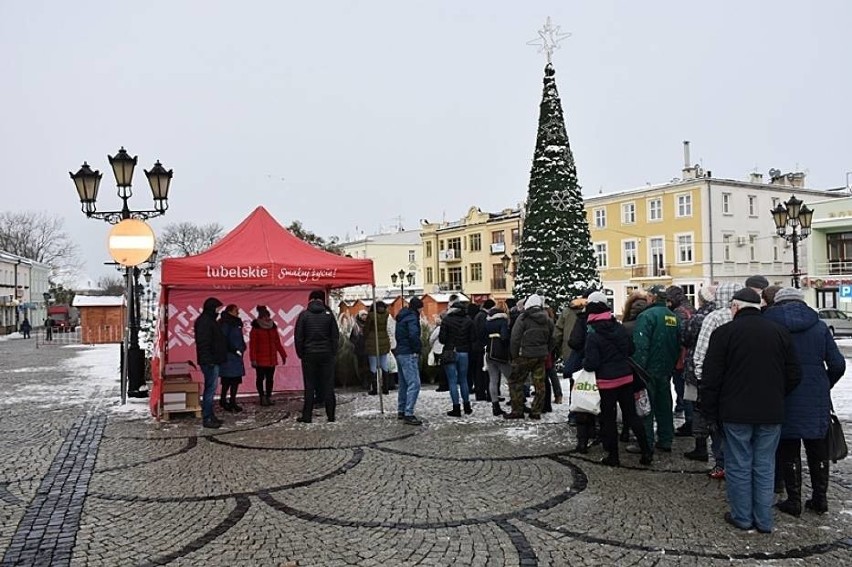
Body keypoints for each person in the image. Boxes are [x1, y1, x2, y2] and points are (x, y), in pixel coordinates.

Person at [701, 287, 800, 533]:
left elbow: (711, 378)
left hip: (735, 411)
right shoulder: (779, 332)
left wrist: (709, 412)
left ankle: (742, 517)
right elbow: (795, 374)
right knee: (765, 465)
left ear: (735, 307)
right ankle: (764, 520)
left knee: (738, 464)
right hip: (771, 411)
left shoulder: (724, 333)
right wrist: (777, 393)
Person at [764, 287, 845, 516]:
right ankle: (820, 498)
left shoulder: (771, 326)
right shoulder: (819, 327)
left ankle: (794, 500)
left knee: (788, 448)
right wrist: (823, 384)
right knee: (818, 449)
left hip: (784, 393)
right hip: (815, 395)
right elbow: (838, 364)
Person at [581, 291, 652, 466]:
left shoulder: (593, 334)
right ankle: (647, 452)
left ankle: (613, 456)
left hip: (606, 383)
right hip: (626, 378)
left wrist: (585, 362)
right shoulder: (619, 327)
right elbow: (630, 350)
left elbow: (592, 363)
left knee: (608, 419)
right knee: (631, 415)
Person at [692, 282, 743, 478]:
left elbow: (701, 353)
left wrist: (701, 380)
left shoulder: (713, 318)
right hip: (742, 382)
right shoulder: (748, 318)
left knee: (717, 425)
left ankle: (721, 463)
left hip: (717, 382)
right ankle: (739, 464)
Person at [631, 285, 679, 454]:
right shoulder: (673, 317)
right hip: (666, 368)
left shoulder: (646, 316)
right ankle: (666, 439)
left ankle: (646, 441)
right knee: (664, 404)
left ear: (651, 298)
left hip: (648, 370)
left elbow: (640, 345)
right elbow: (677, 343)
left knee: (645, 406)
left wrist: (638, 369)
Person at [505, 293, 554, 420]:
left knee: (515, 382)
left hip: (524, 356)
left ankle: (517, 410)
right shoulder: (547, 319)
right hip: (540, 356)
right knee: (539, 384)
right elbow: (552, 339)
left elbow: (515, 339)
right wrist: (546, 351)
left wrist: (514, 355)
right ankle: (536, 411)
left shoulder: (522, 319)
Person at [294, 289, 339, 423]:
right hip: (327, 355)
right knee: (328, 385)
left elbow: (298, 337)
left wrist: (301, 353)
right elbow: (335, 336)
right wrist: (333, 352)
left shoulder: (304, 315)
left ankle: (307, 416)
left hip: (309, 355)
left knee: (309, 385)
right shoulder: (329, 315)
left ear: (310, 299)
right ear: (322, 300)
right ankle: (331, 416)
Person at [680, 286, 716, 446]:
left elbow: (685, 339)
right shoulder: (725, 314)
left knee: (697, 406)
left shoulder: (698, 317)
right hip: (716, 369)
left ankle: (700, 446)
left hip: (696, 367)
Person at [194, 297, 227, 429]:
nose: (219, 310)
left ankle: (210, 415)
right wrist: (210, 360)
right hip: (210, 361)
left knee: (211, 389)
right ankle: (207, 417)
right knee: (210, 390)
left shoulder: (209, 320)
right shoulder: (205, 322)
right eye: (218, 308)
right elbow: (204, 343)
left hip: (212, 360)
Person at [439, 299, 476, 417]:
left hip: (450, 351)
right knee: (463, 380)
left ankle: (456, 408)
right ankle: (467, 406)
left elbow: (442, 339)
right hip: (464, 352)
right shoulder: (469, 320)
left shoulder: (446, 320)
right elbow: (473, 337)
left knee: (452, 381)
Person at [249, 305, 287, 406]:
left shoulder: (273, 327)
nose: (268, 318)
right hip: (260, 359)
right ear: (261, 317)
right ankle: (262, 396)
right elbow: (252, 345)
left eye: (268, 316)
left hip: (271, 358)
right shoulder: (256, 329)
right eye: (265, 316)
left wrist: (283, 354)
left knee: (270, 379)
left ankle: (268, 396)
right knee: (260, 378)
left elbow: (277, 342)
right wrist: (253, 359)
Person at [395, 296, 424, 425]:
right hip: (409, 353)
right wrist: (417, 349)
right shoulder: (412, 317)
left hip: (400, 352)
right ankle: (409, 413)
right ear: (418, 308)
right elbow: (413, 335)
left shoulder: (402, 316)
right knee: (414, 383)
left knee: (404, 384)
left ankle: (401, 410)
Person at [665, 285, 694, 416]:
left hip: (681, 357)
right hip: (690, 355)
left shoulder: (678, 313)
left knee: (682, 387)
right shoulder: (692, 309)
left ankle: (689, 419)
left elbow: (677, 335)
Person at [484, 303, 511, 417]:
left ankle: (495, 406)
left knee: (493, 380)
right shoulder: (503, 321)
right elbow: (504, 337)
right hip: (501, 353)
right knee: (511, 378)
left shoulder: (488, 321)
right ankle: (516, 402)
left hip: (489, 352)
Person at [218, 304, 246, 413]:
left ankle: (232, 400)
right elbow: (224, 339)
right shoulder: (225, 323)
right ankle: (225, 400)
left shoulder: (236, 323)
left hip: (236, 355)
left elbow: (238, 337)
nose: (238, 313)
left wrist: (243, 346)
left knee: (235, 379)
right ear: (230, 311)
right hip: (229, 355)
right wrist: (234, 350)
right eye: (236, 311)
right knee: (228, 380)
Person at [364, 300, 392, 395]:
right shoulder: (387, 315)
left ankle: (374, 389)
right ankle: (386, 388)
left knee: (373, 366)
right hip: (384, 341)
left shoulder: (371, 316)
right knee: (384, 365)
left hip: (372, 341)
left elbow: (366, 329)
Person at [471, 299, 494, 401]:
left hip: (476, 347)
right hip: (482, 347)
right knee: (484, 371)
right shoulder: (484, 316)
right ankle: (485, 393)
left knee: (478, 371)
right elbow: (483, 332)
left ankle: (480, 393)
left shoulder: (478, 315)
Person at [349, 309, 370, 389]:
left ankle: (369, 382)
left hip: (369, 348)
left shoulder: (369, 325)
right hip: (360, 349)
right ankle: (363, 381)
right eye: (363, 315)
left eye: (365, 315)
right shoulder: (356, 326)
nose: (364, 317)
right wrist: (356, 343)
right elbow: (351, 338)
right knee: (361, 366)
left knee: (368, 366)